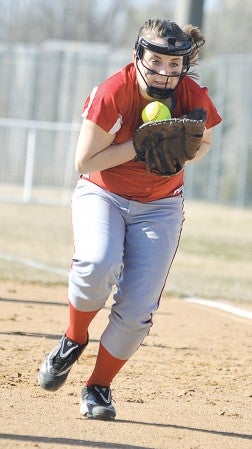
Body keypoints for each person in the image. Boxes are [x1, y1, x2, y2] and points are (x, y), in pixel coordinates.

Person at [38, 18, 222, 420]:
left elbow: (204, 141)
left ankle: (97, 388)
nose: (164, 73)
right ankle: (73, 338)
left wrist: (185, 151)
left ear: (184, 65)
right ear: (137, 56)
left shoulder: (191, 93)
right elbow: (83, 162)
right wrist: (142, 144)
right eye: (155, 61)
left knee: (138, 309)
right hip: (103, 193)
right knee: (96, 267)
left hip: (160, 205)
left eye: (174, 65)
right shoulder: (114, 92)